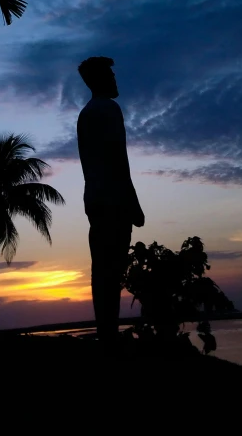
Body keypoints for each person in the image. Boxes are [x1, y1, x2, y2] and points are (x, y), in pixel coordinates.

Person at [77, 56, 145, 343]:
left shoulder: (86, 113)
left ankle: (107, 332)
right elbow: (119, 159)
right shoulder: (109, 109)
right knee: (111, 270)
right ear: (101, 79)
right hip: (113, 200)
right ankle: (109, 335)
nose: (116, 79)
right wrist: (134, 203)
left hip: (95, 200)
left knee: (101, 270)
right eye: (111, 75)